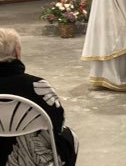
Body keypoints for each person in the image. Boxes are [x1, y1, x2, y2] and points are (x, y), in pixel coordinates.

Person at [0, 28, 78, 166]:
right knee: (69, 135)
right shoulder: (38, 86)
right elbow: (57, 124)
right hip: (33, 159)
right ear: (17, 52)